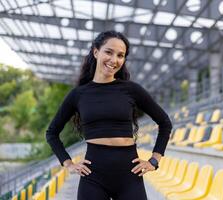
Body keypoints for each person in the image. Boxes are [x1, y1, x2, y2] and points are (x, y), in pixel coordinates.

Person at [45, 30, 173, 200]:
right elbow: (52, 133)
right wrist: (68, 163)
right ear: (96, 52)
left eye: (121, 55)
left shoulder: (131, 90)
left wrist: (154, 160)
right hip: (93, 176)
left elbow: (165, 123)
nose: (114, 60)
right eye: (109, 52)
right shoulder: (78, 94)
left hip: (129, 175)